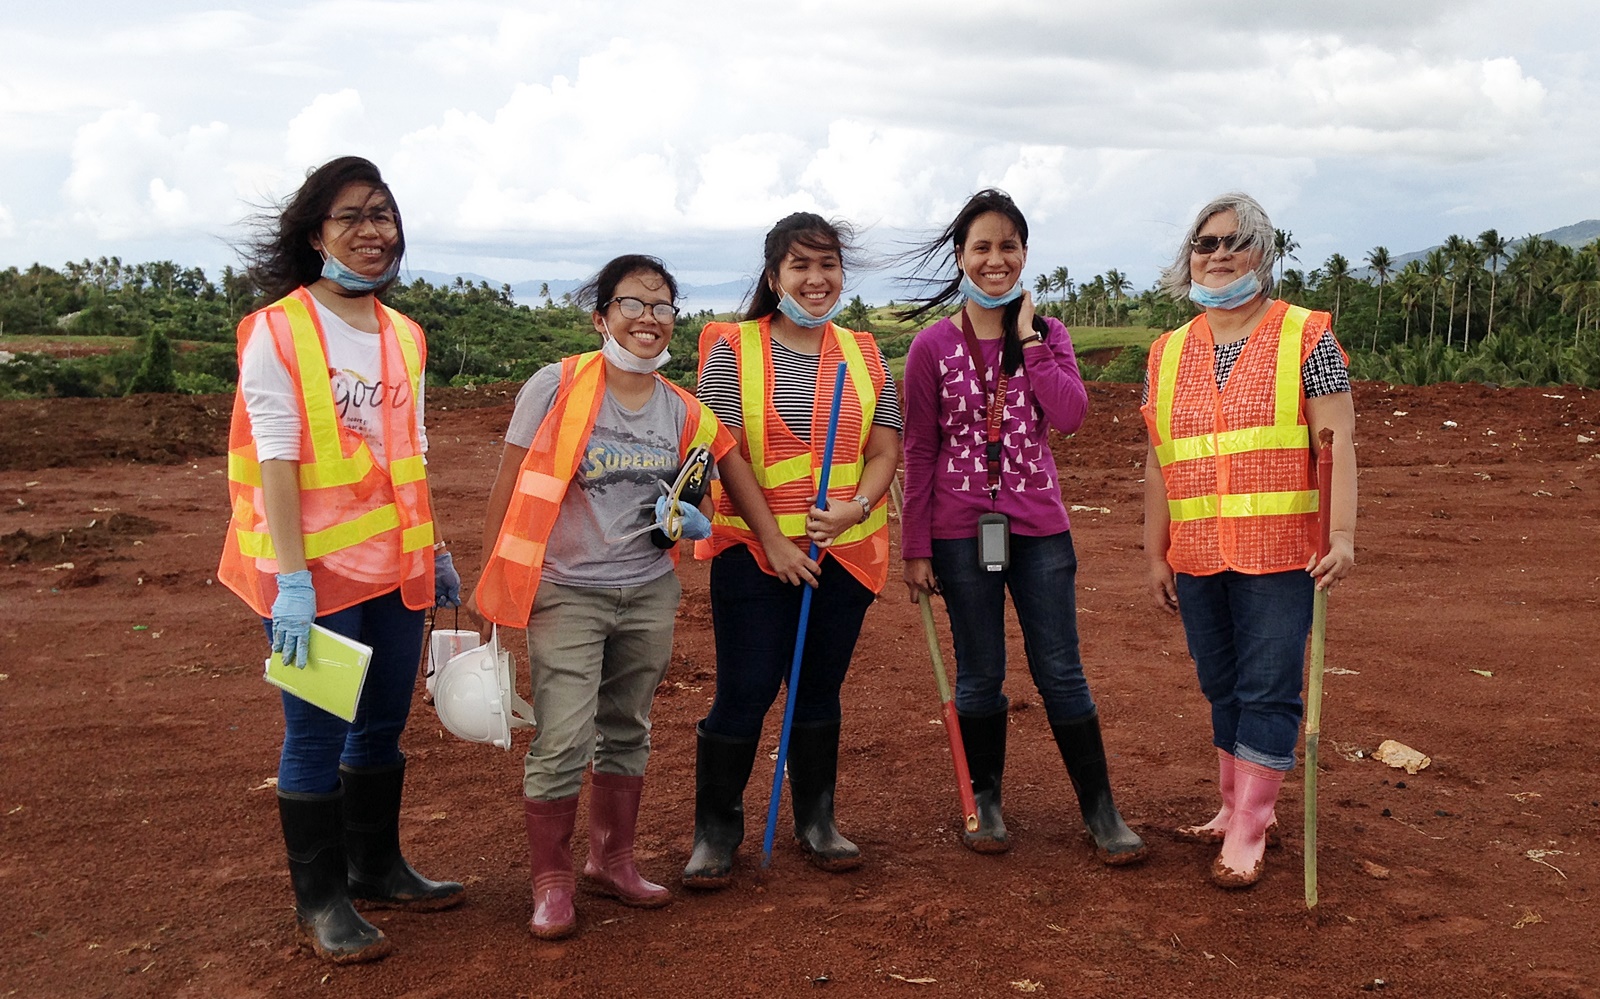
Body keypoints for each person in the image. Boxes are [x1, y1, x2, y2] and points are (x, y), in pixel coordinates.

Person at [218, 156, 464, 964]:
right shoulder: (279, 330)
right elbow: (279, 458)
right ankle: (321, 902)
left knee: (383, 722)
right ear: (315, 231)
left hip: (394, 567)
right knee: (317, 730)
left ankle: (377, 867)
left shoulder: (405, 333)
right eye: (352, 216)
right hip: (312, 578)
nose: (372, 232)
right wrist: (290, 581)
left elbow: (413, 450)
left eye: (384, 216)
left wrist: (436, 547)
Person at [474, 255, 734, 940]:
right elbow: (508, 482)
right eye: (634, 303)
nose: (649, 318)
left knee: (628, 726)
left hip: (648, 590)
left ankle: (612, 859)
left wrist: (691, 514)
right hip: (568, 589)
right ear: (601, 317)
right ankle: (551, 881)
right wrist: (491, 580)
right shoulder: (554, 385)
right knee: (561, 734)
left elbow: (694, 489)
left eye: (663, 306)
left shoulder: (681, 408)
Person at [898, 189, 1148, 865]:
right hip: (958, 530)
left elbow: (1069, 416)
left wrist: (1031, 340)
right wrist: (914, 546)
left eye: (1009, 246)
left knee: (1061, 669)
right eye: (982, 246)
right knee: (979, 672)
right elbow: (919, 448)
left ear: (1025, 256)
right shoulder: (931, 347)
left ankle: (1102, 812)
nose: (996, 259)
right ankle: (986, 802)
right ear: (960, 257)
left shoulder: (1051, 335)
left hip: (1039, 530)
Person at [1141, 192, 1357, 888]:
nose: (1219, 252)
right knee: (1221, 681)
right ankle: (1231, 801)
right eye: (1205, 243)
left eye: (1235, 240)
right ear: (1189, 258)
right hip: (1200, 551)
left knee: (1267, 685)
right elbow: (1159, 459)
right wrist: (1155, 549)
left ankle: (1251, 825)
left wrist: (1344, 534)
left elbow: (1339, 443)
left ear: (1264, 252)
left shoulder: (1307, 336)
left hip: (1281, 550)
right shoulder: (1168, 352)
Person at [683, 213, 901, 888]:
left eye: (827, 264)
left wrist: (855, 507)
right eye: (800, 266)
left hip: (842, 553)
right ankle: (716, 831)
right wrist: (774, 540)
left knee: (817, 689)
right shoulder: (734, 349)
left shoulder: (864, 353)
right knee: (744, 690)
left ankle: (817, 820)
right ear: (774, 276)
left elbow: (886, 448)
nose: (817, 278)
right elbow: (723, 452)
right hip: (755, 552)